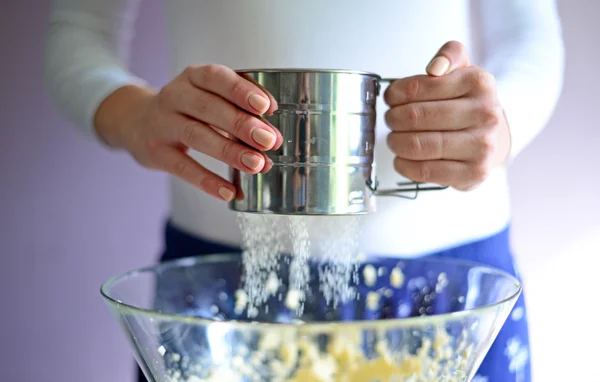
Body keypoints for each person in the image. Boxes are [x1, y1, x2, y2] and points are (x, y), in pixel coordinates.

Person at [43, 1, 564, 380]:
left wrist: (503, 121)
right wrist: (136, 116)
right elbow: (78, 29)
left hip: (450, 286)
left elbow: (531, 30)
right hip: (220, 282)